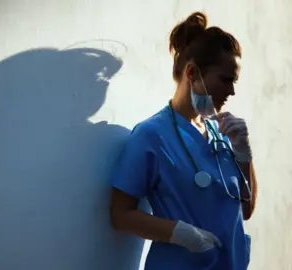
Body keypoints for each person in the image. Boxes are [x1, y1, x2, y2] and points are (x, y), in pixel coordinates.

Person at [110, 12, 258, 270]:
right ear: (192, 72)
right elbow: (120, 215)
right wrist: (178, 232)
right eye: (226, 79)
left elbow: (245, 210)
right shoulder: (151, 136)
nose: (232, 91)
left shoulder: (222, 133)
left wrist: (244, 155)